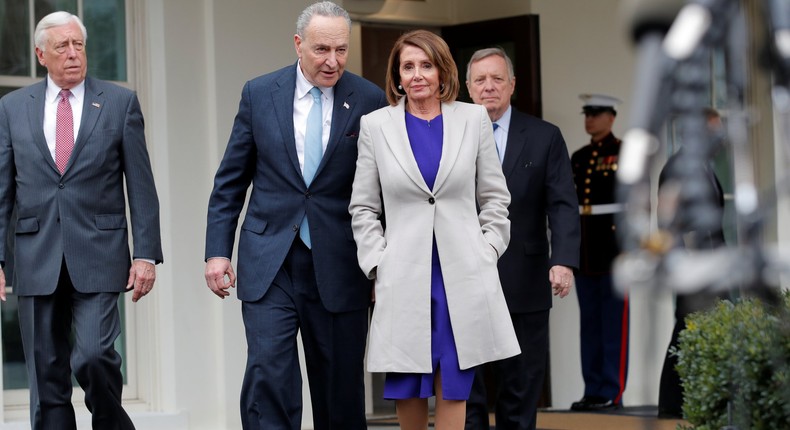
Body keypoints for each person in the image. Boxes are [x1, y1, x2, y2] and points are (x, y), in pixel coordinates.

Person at [203, 2, 387, 429]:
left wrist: (381, 266)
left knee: (339, 388)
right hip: (270, 262)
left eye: (341, 50)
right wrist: (217, 253)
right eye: (322, 49)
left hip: (341, 264)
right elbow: (230, 180)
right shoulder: (259, 92)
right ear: (298, 44)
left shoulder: (369, 98)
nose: (333, 61)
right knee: (268, 375)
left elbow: (381, 189)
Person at [349, 30, 520, 430]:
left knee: (454, 382)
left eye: (426, 65)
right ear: (397, 75)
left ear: (443, 71)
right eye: (407, 67)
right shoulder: (376, 126)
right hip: (404, 275)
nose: (417, 75)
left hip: (460, 274)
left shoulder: (472, 118)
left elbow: (495, 197)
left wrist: (488, 249)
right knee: (408, 383)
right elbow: (363, 206)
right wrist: (377, 263)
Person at [0, 11, 162, 430]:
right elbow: (3, 191)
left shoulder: (119, 102)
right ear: (41, 54)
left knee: (93, 356)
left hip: (100, 253)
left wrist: (146, 254)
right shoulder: (13, 108)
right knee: (46, 374)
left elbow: (140, 185)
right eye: (62, 47)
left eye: (79, 45)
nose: (73, 54)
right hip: (35, 256)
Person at [463, 48, 580, 430]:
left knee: (522, 383)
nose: (488, 87)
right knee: (468, 391)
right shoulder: (451, 134)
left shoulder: (545, 137)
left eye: (497, 79)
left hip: (525, 277)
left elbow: (562, 204)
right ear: (467, 87)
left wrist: (562, 260)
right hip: (465, 278)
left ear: (512, 85)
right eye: (480, 80)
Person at [656, 108, 727, 418]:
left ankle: (688, 403)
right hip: (693, 265)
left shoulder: (701, 166)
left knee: (693, 332)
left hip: (710, 265)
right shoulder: (679, 167)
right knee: (687, 331)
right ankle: (672, 407)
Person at [569, 93, 629, 411]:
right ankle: (592, 387)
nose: (589, 119)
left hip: (615, 250)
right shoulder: (579, 157)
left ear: (611, 117)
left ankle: (612, 389)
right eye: (587, 114)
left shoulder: (625, 153)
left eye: (596, 113)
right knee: (590, 323)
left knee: (614, 325)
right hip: (586, 249)